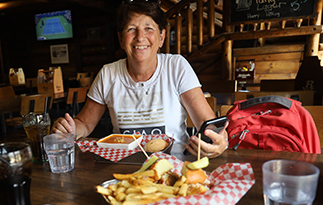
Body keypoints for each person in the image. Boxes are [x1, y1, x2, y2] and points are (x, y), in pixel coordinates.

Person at [52, 0, 228, 158]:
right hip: (123, 166)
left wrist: (218, 139)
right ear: (121, 39)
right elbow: (84, 123)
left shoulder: (176, 66)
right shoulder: (108, 74)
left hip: (173, 165)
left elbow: (207, 123)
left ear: (161, 37)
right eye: (131, 29)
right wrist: (70, 129)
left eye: (148, 28)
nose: (140, 37)